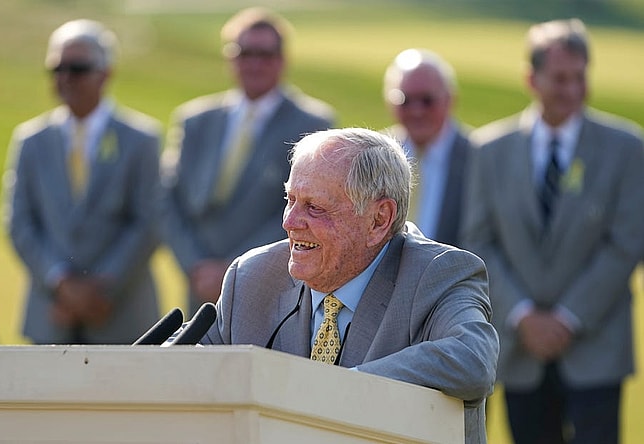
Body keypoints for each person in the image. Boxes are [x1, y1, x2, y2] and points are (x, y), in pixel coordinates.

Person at [202, 127, 499, 444]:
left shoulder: (439, 275)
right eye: (290, 200)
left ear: (378, 220)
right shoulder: (252, 276)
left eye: (314, 207)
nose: (289, 222)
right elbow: (190, 362)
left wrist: (341, 389)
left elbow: (472, 358)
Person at [463, 18, 644, 444]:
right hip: (519, 348)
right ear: (532, 78)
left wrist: (566, 319)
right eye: (560, 78)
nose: (573, 89)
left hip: (596, 347)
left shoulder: (627, 148)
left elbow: (626, 243)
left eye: (580, 77)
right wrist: (524, 315)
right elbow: (478, 240)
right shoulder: (490, 150)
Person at [162, 7, 335, 316]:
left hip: (270, 285)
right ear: (230, 57)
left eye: (265, 54)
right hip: (198, 285)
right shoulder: (195, 120)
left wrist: (236, 267)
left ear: (282, 59)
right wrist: (196, 265)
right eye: (244, 52)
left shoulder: (311, 123)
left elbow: (310, 209)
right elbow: (167, 201)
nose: (254, 63)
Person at [4, 19, 162, 344]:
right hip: (51, 315)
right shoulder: (30, 141)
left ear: (105, 74)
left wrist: (101, 287)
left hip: (121, 314)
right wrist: (60, 283)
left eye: (77, 68)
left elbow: (149, 222)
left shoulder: (141, 140)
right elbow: (19, 222)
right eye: (57, 68)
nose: (65, 78)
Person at [383, 48, 471, 246]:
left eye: (427, 100)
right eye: (405, 100)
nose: (416, 111)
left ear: (449, 99)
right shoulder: (375, 155)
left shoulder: (478, 156)